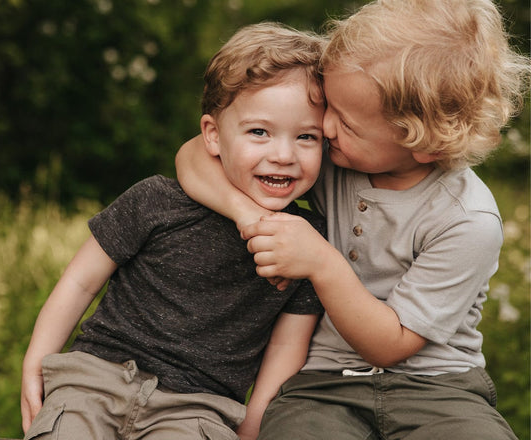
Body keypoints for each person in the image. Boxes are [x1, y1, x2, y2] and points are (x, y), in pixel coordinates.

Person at [175, 1, 530, 438]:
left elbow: (390, 345)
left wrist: (321, 262)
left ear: (425, 145)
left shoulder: (467, 220)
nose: (324, 128)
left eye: (346, 122)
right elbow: (194, 155)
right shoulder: (336, 159)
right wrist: (250, 217)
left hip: (439, 389)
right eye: (330, 106)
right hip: (323, 383)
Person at [21, 22, 328, 440]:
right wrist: (37, 362)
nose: (283, 155)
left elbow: (286, 346)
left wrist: (252, 427)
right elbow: (79, 282)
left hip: (197, 409)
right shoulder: (155, 200)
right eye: (259, 132)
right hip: (93, 381)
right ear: (213, 135)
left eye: (306, 136)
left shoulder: (308, 241)